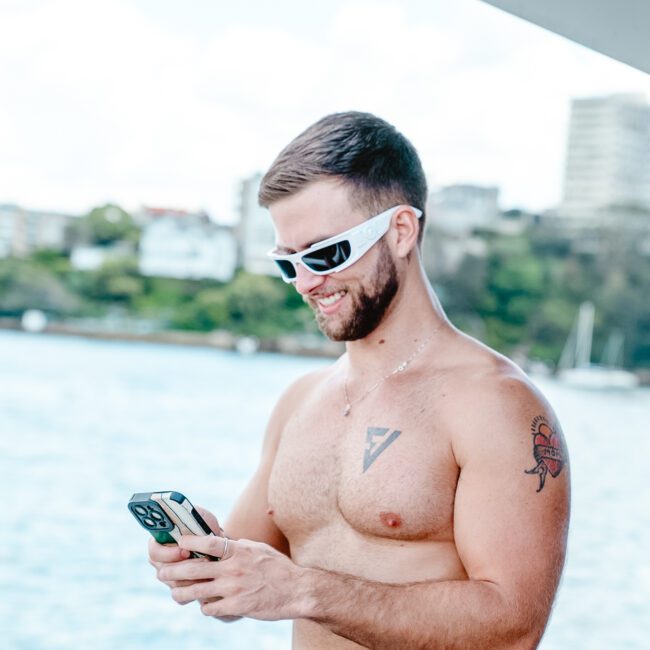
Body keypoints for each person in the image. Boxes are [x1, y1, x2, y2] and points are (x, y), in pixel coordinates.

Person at [149, 112, 570, 649]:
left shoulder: (495, 403)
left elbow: (514, 627)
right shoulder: (301, 400)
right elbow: (247, 585)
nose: (307, 282)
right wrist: (205, 562)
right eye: (288, 262)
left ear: (401, 230)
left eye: (327, 253)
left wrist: (306, 592)